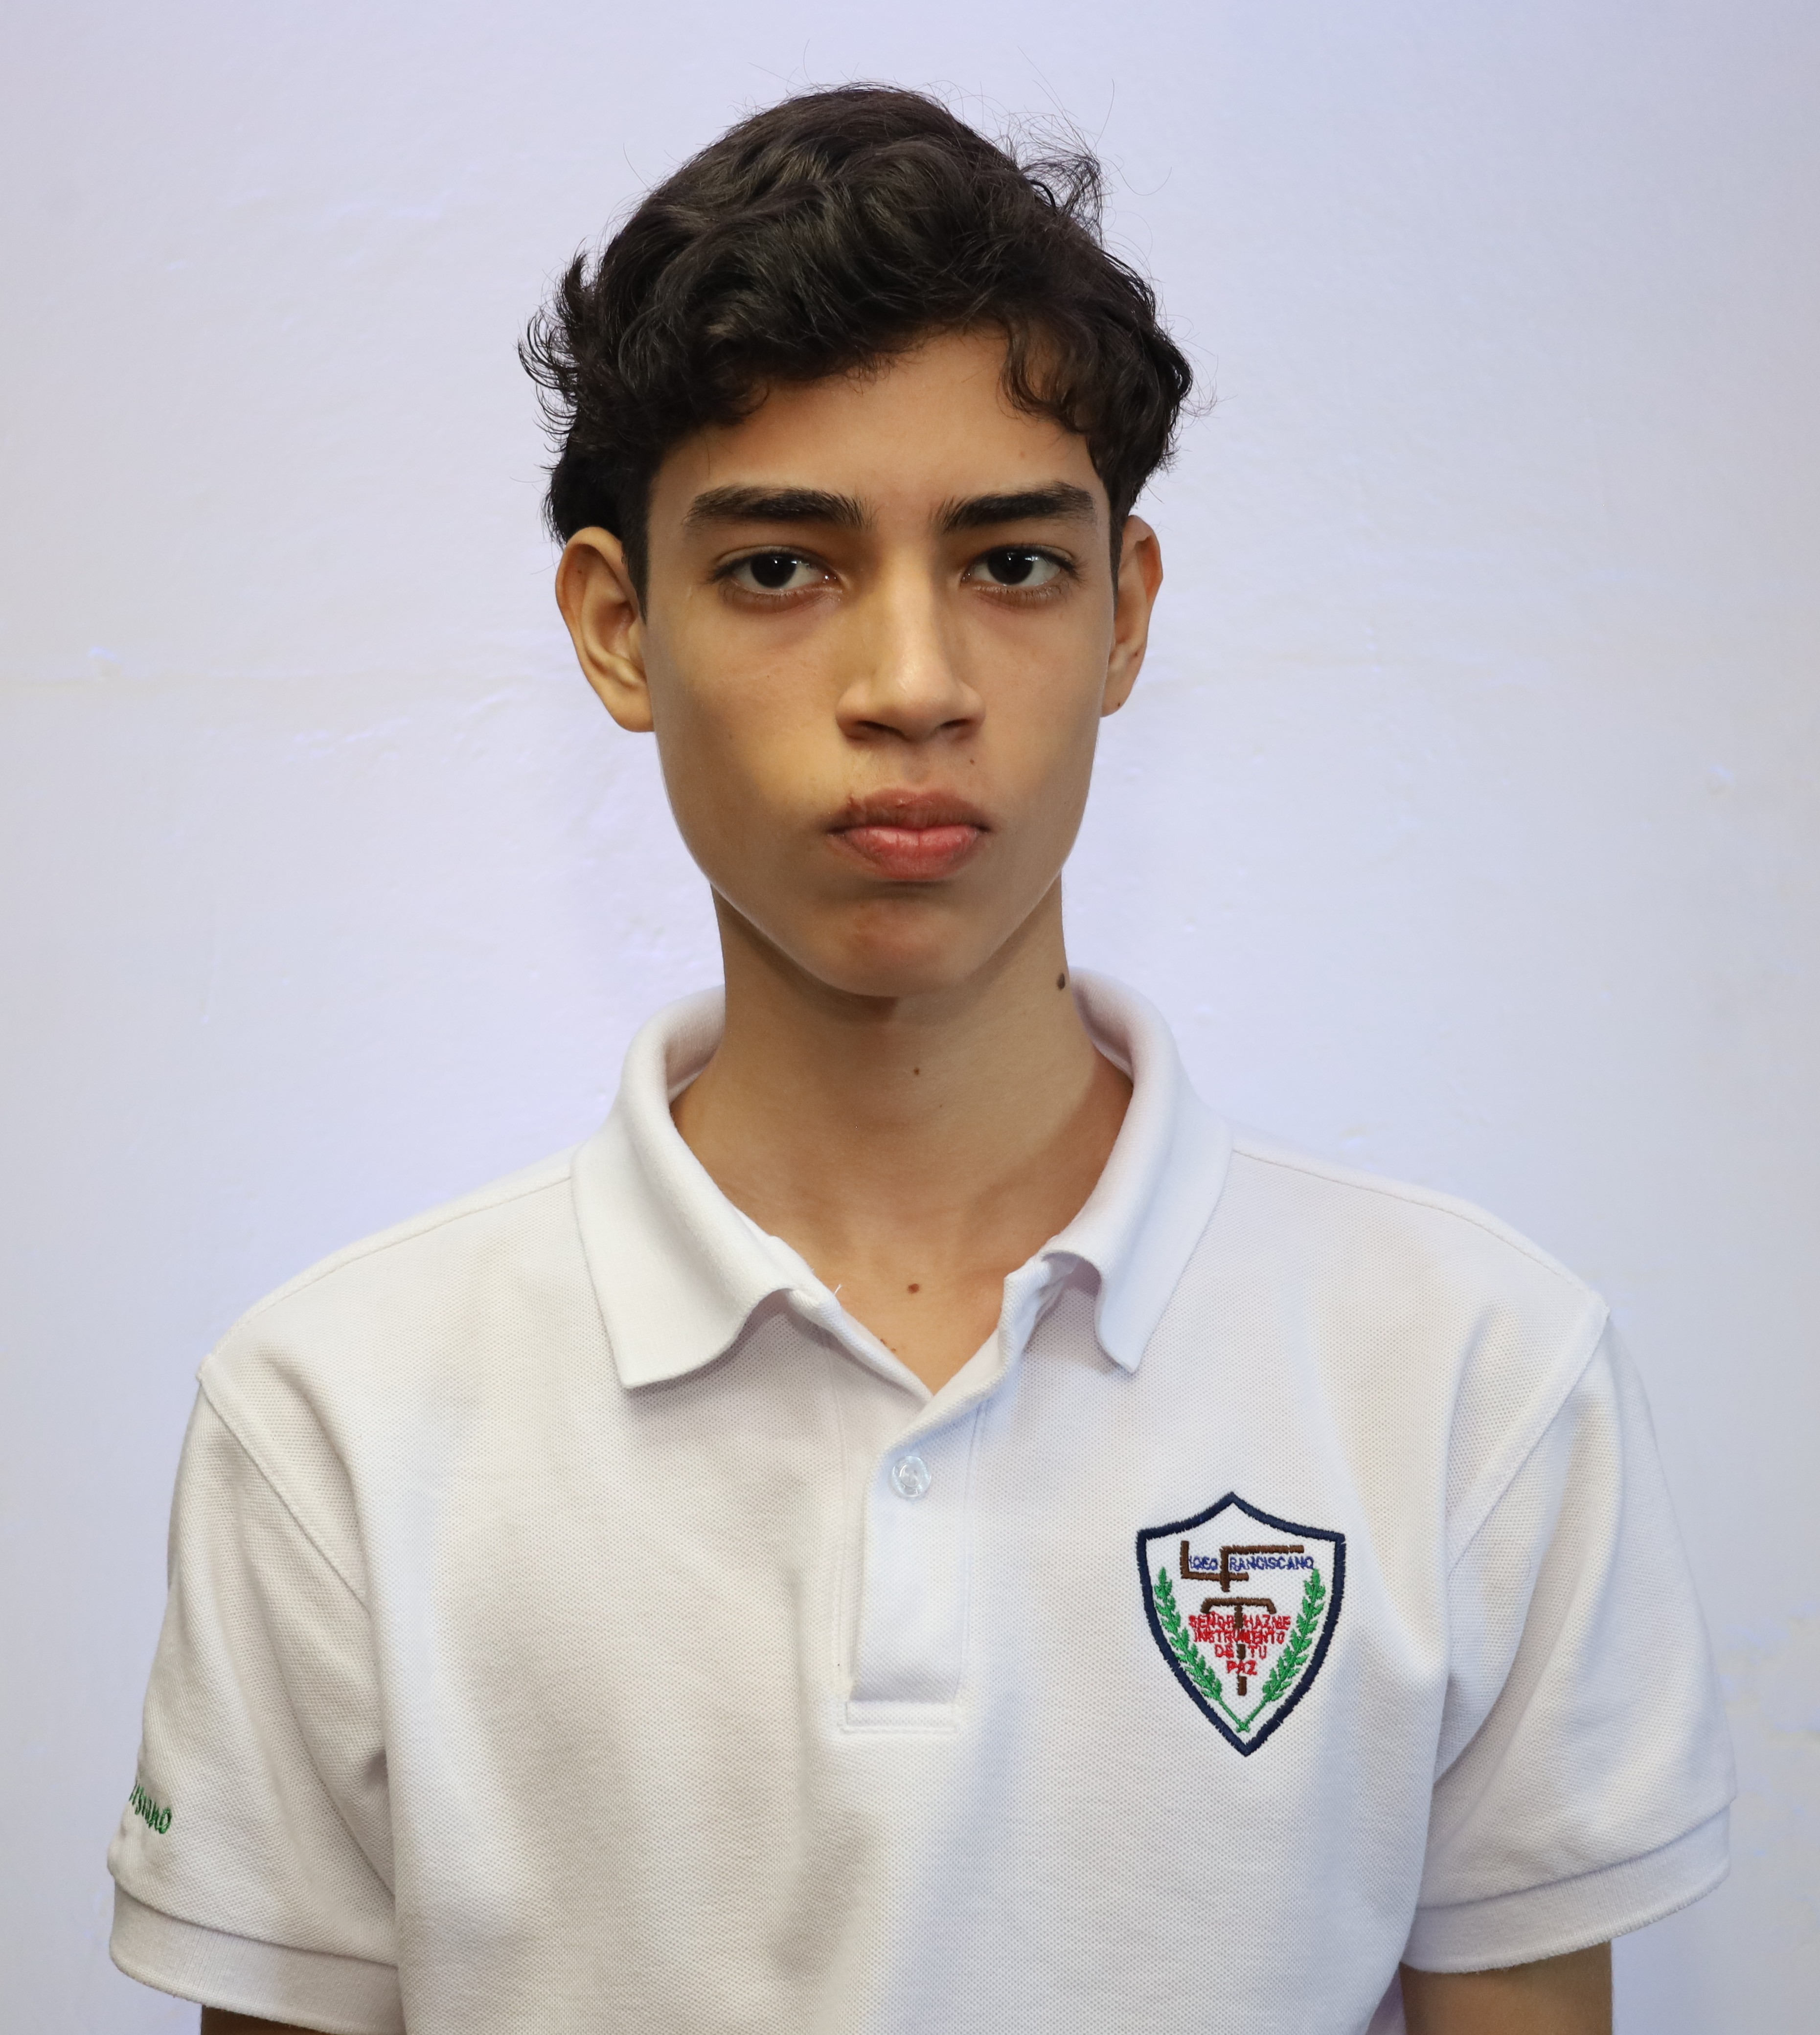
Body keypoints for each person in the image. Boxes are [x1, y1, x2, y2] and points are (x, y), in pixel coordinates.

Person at [107, 85, 1733, 2035]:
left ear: (1126, 613)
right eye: (780, 568)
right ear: (619, 630)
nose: (912, 685)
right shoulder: (339, 1419)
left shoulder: (1477, 1380)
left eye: (1011, 563)